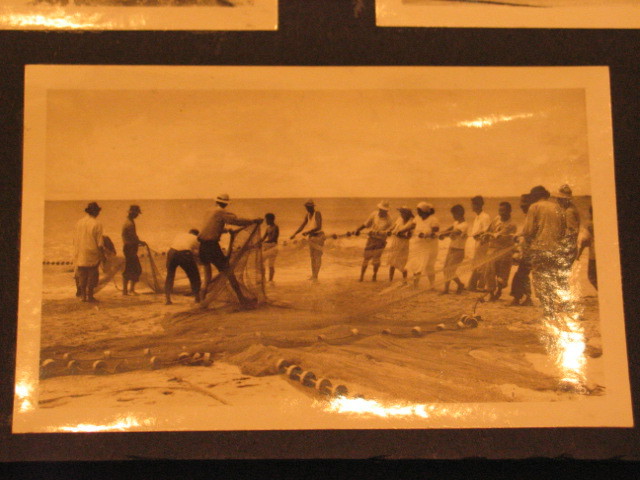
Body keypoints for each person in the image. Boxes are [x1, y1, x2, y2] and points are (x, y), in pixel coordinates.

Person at [198, 193, 262, 307]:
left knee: (207, 276)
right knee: (229, 272)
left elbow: (210, 227)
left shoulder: (209, 211)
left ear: (216, 201)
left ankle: (201, 301)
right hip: (211, 246)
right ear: (226, 204)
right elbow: (236, 220)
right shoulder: (221, 212)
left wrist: (225, 230)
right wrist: (253, 220)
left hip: (202, 246)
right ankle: (241, 299)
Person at [522, 184, 575, 318]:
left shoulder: (534, 207)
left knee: (540, 280)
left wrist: (525, 243)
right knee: (553, 278)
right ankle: (556, 309)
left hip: (540, 249)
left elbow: (528, 231)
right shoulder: (558, 207)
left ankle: (548, 310)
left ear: (535, 196)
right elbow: (563, 231)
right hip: (556, 250)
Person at [482, 201, 517, 301]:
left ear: (509, 211)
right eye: (500, 210)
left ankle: (499, 291)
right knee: (489, 272)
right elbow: (490, 230)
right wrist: (484, 236)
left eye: (504, 211)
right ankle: (491, 293)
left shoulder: (512, 225)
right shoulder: (496, 219)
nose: (501, 213)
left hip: (505, 251)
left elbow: (499, 235)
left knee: (502, 275)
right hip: (493, 250)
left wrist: (489, 235)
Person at [73, 202, 105, 303]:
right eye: (98, 211)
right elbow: (100, 243)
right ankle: (90, 296)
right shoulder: (97, 224)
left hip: (80, 251)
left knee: (82, 275)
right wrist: (103, 255)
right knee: (92, 275)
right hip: (92, 252)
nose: (98, 213)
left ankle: (83, 296)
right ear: (95, 212)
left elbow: (75, 239)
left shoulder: (79, 223)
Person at [354, 200, 393, 282]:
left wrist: (383, 232)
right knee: (366, 258)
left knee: (376, 260)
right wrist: (358, 229)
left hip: (381, 241)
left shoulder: (389, 219)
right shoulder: (374, 214)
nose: (381, 211)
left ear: (386, 211)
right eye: (380, 209)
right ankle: (361, 276)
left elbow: (390, 231)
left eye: (383, 210)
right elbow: (366, 224)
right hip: (371, 239)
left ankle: (374, 275)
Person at [290, 199, 325, 282]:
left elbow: (319, 227)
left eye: (309, 207)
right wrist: (295, 233)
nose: (307, 209)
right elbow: (302, 225)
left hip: (319, 237)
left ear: (312, 207)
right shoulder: (307, 215)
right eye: (306, 207)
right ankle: (313, 275)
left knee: (317, 257)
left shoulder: (317, 213)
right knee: (312, 257)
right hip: (311, 237)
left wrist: (308, 232)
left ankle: (316, 276)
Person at [407, 202, 440, 289]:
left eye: (419, 211)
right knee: (416, 264)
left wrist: (426, 234)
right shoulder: (417, 218)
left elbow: (436, 232)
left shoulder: (433, 220)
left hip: (429, 245)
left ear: (424, 211)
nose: (418, 212)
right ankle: (415, 285)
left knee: (429, 266)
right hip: (418, 245)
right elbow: (411, 227)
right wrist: (406, 231)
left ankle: (432, 285)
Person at [164, 229, 201, 305]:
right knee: (194, 275)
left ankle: (167, 299)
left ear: (189, 232)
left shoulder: (180, 235)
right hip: (184, 253)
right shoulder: (196, 239)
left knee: (170, 276)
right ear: (196, 234)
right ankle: (197, 298)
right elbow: (198, 253)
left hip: (171, 252)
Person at [510, 194, 534, 306]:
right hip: (527, 250)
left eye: (524, 202)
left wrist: (518, 236)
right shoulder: (528, 216)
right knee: (522, 274)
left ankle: (522, 298)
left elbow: (529, 233)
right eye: (521, 202)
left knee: (521, 274)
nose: (522, 205)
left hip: (531, 251)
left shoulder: (531, 216)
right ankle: (523, 298)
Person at [439, 204, 468, 295]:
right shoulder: (456, 223)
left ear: (459, 214)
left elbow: (454, 232)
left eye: (454, 214)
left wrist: (443, 234)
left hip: (459, 250)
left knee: (450, 271)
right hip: (451, 248)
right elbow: (448, 230)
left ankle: (457, 285)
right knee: (446, 269)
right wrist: (441, 233)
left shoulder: (464, 225)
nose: (453, 216)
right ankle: (450, 288)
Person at [467, 195, 492, 292]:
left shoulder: (485, 216)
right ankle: (474, 285)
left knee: (481, 264)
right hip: (477, 242)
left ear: (478, 205)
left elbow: (487, 230)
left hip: (483, 243)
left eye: (473, 204)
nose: (471, 206)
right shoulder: (477, 217)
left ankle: (478, 285)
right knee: (477, 264)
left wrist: (478, 235)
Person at [121, 204, 146, 296]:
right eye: (136, 213)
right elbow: (133, 237)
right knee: (135, 269)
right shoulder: (129, 224)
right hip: (130, 248)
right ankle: (129, 290)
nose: (137, 215)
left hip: (129, 248)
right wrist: (141, 242)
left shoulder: (129, 222)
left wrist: (138, 242)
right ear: (132, 213)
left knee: (131, 269)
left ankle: (126, 290)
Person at [387, 206, 414, 283]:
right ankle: (390, 279)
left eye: (402, 213)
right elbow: (394, 226)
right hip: (396, 242)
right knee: (392, 261)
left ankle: (404, 280)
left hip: (404, 244)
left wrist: (400, 235)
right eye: (401, 212)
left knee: (403, 262)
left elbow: (409, 236)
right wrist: (389, 230)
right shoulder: (400, 219)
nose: (401, 214)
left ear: (407, 214)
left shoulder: (411, 222)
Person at [577, 206, 597, 290]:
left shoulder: (589, 224)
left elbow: (584, 240)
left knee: (592, 277)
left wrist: (579, 254)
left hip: (594, 255)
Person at [261, 213, 280, 283]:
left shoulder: (275, 227)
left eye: (267, 220)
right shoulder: (268, 228)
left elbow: (273, 238)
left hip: (273, 247)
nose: (266, 221)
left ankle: (270, 280)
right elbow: (263, 238)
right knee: (261, 262)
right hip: (268, 246)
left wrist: (264, 242)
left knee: (270, 265)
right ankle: (264, 279)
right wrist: (259, 242)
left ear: (271, 220)